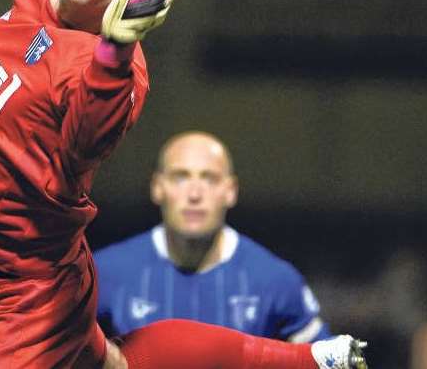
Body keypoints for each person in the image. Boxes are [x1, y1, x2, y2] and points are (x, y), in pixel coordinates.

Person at [0, 0, 368, 369]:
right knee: (116, 364)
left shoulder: (114, 69)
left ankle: (312, 360)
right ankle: (318, 360)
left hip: (27, 295)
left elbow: (86, 141)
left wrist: (117, 47)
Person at [95, 130, 331, 343]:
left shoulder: (274, 280)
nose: (195, 194)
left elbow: (327, 360)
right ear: (157, 187)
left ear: (231, 191)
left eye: (209, 178)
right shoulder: (104, 273)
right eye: (180, 177)